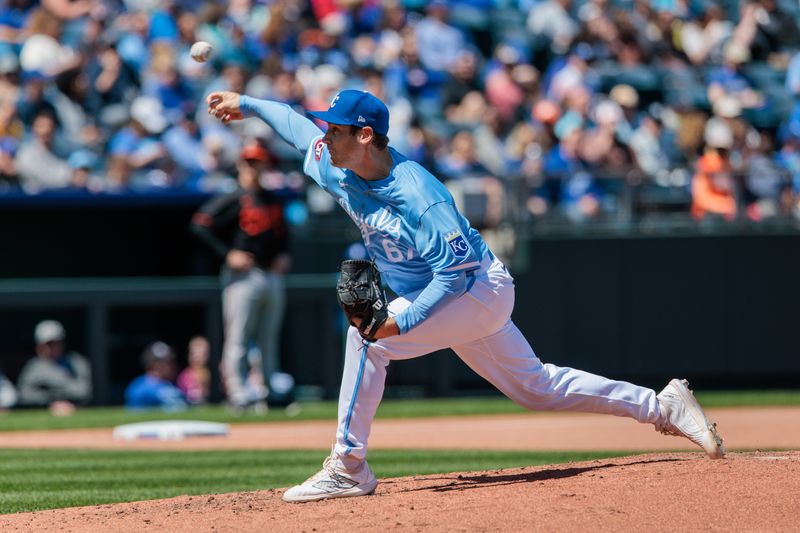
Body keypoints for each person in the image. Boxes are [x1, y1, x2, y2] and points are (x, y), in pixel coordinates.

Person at [205, 88, 726, 503]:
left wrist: (399, 325)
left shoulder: (420, 196)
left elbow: (453, 276)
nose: (327, 135)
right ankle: (664, 407)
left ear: (365, 136)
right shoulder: (337, 164)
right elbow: (296, 127)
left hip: (476, 290)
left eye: (336, 129)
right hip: (453, 296)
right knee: (537, 388)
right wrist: (247, 104)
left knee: (367, 341)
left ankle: (347, 466)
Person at [190, 141, 291, 410]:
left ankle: (270, 390)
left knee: (269, 338)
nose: (252, 167)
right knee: (238, 337)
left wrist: (284, 253)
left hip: (270, 274)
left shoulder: (271, 198)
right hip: (243, 276)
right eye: (248, 161)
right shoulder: (233, 197)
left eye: (256, 162)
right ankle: (237, 393)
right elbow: (200, 226)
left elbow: (282, 234)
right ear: (240, 165)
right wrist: (226, 254)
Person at [17, 319, 92, 414]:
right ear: (39, 345)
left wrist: (52, 393)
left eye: (56, 343)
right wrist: (52, 402)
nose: (52, 347)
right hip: (43, 412)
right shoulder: (33, 367)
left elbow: (83, 392)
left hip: (74, 410)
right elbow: (25, 395)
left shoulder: (77, 362)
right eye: (48, 344)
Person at [124, 341, 187, 411]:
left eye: (172, 361)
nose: (172, 365)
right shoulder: (139, 388)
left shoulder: (176, 383)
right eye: (167, 362)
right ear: (153, 365)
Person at [176, 335, 211, 405]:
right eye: (194, 354)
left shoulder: (212, 374)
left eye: (202, 354)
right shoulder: (184, 376)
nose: (197, 358)